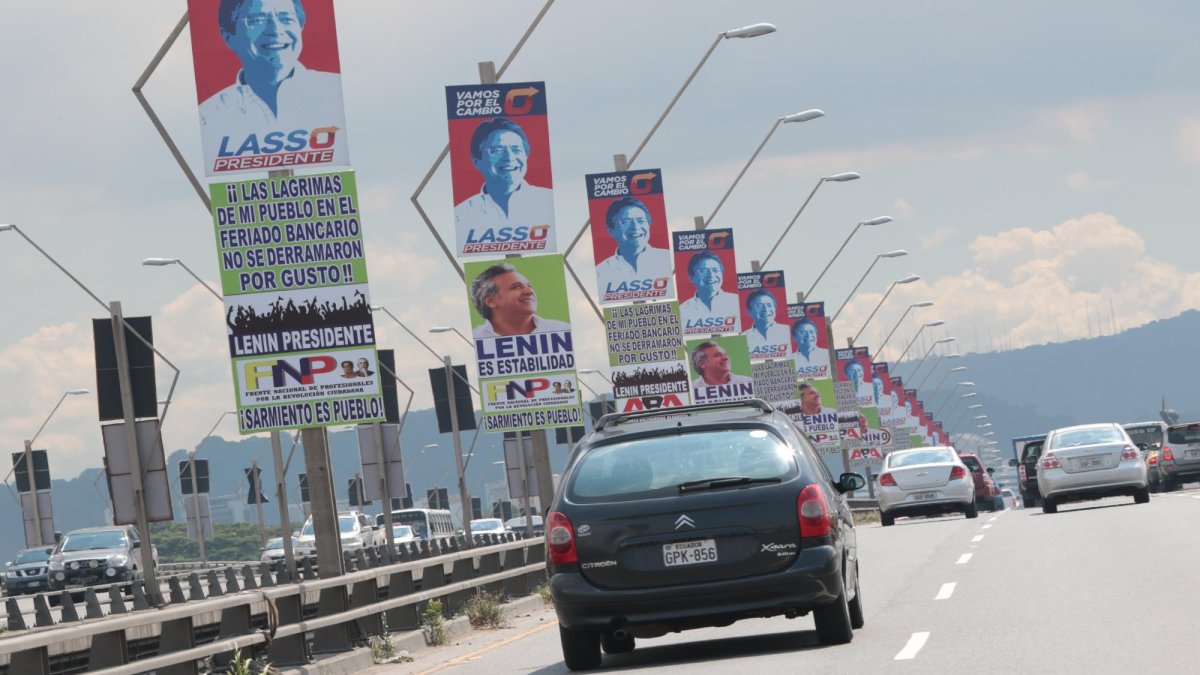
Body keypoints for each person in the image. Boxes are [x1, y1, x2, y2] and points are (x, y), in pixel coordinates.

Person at [200, 0, 344, 142]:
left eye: (286, 19)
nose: (275, 30)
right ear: (228, 37)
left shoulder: (336, 92)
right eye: (257, 20)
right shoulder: (211, 113)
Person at [454, 117, 554, 232]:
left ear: (526, 157)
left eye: (517, 150)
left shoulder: (548, 202)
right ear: (476, 160)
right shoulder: (462, 215)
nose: (509, 158)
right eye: (497, 150)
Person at [470, 263, 570, 338]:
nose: (529, 291)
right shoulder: (476, 338)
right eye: (516, 287)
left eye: (529, 286)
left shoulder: (561, 329)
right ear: (491, 301)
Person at [594, 196, 671, 288]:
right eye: (626, 221)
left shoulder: (668, 260)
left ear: (649, 225)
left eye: (641, 221)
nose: (635, 227)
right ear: (611, 230)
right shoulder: (601, 272)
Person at [679, 252, 739, 325]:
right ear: (691, 278)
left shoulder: (737, 302)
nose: (711, 275)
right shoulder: (682, 310)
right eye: (703, 270)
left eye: (715, 270)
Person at [741, 289, 790, 355]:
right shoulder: (743, 338)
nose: (766, 309)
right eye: (759, 305)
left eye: (769, 305)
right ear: (749, 311)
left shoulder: (788, 332)